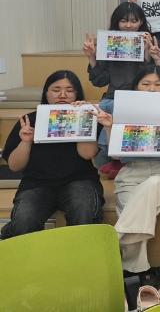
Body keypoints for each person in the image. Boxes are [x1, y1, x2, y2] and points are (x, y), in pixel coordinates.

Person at [94, 65, 160, 288]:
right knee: (136, 206)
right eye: (146, 84)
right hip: (131, 172)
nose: (152, 89)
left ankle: (113, 240)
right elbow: (115, 154)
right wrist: (110, 127)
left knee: (152, 185)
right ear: (136, 87)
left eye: (158, 84)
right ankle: (138, 275)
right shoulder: (121, 109)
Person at [0, 71, 103, 239]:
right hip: (37, 183)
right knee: (24, 221)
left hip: (79, 181)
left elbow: (87, 154)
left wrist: (83, 118)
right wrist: (26, 141)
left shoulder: (87, 117)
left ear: (77, 94)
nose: (62, 95)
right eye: (56, 90)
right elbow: (14, 166)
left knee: (84, 214)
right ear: (46, 93)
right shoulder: (29, 120)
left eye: (70, 90)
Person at [83, 2, 157, 175]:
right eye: (124, 21)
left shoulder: (150, 41)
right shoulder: (109, 43)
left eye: (134, 21)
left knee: (118, 108)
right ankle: (114, 156)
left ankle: (112, 156)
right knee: (102, 109)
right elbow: (100, 81)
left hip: (140, 98)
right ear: (116, 22)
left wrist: (147, 54)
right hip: (112, 98)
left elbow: (154, 78)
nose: (128, 25)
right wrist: (92, 57)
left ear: (141, 22)